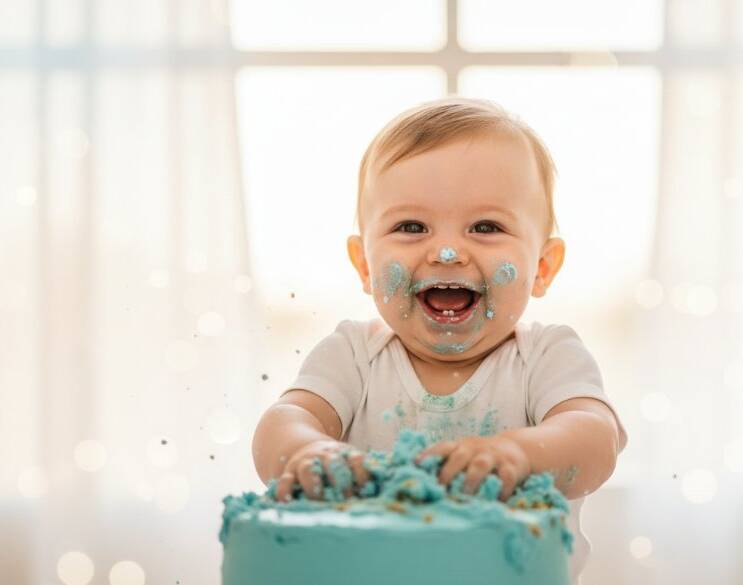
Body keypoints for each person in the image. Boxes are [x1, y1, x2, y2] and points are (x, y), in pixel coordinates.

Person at [252, 96, 628, 584]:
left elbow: (596, 441)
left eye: (486, 227)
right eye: (411, 227)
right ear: (364, 265)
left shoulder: (546, 357)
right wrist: (306, 452)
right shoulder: (354, 355)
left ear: (543, 267)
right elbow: (285, 421)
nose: (448, 251)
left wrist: (521, 455)